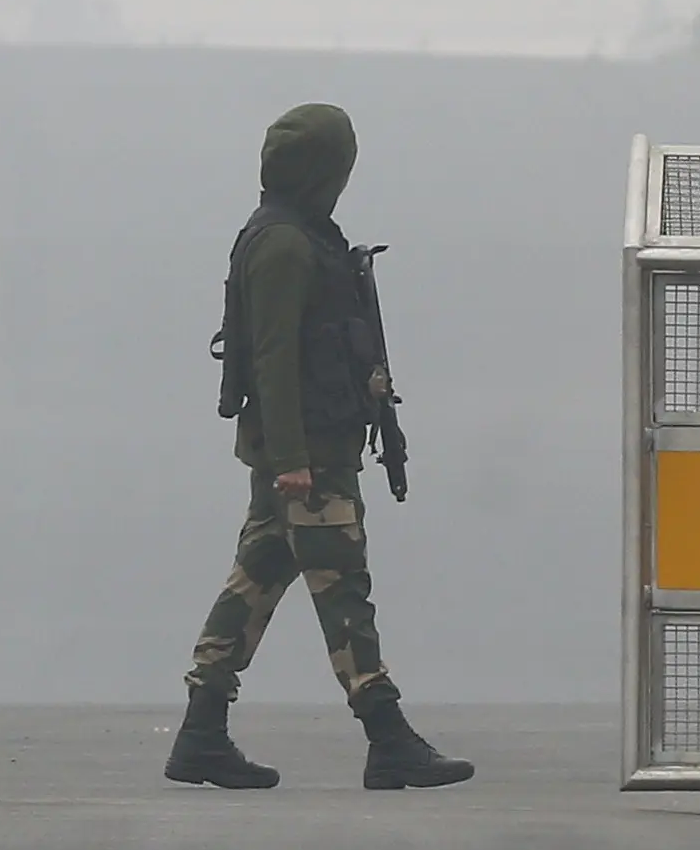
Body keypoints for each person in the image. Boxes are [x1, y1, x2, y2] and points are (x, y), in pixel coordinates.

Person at [165, 102, 473, 791]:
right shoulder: (283, 244)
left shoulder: (299, 234)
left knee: (256, 579)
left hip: (308, 447)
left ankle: (201, 731)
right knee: (340, 585)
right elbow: (274, 357)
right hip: (306, 453)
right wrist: (293, 457)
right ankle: (386, 731)